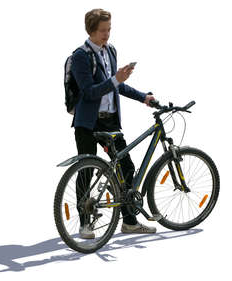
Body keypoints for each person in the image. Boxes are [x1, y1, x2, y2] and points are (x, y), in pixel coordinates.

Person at [71, 8, 156, 239]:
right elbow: (89, 92)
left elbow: (117, 86)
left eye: (109, 29)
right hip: (88, 123)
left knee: (126, 168)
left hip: (110, 122)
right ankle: (85, 225)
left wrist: (143, 97)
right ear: (91, 30)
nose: (107, 34)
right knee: (86, 172)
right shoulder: (81, 55)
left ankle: (129, 221)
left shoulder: (111, 51)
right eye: (102, 31)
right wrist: (116, 78)